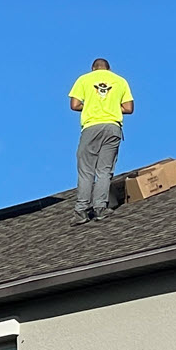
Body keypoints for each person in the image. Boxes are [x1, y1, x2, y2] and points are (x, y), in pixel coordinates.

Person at [68, 58, 134, 225]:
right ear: (108, 69)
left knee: (86, 170)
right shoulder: (120, 81)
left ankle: (82, 210)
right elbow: (128, 108)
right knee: (104, 170)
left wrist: (90, 105)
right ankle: (100, 208)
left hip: (91, 128)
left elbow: (74, 104)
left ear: (93, 68)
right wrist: (111, 107)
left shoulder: (84, 79)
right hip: (113, 127)